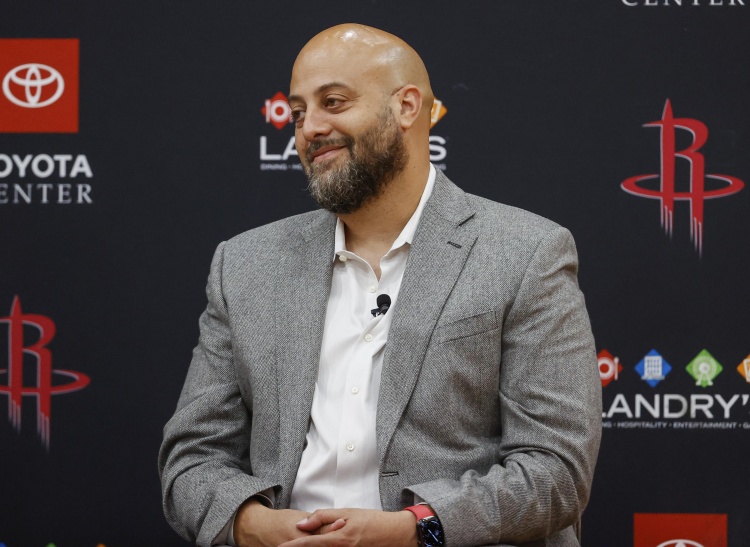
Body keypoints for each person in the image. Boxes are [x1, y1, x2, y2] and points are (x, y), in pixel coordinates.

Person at [159, 23, 602, 547]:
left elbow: (556, 470)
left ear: (407, 107)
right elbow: (192, 460)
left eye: (334, 102)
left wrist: (412, 530)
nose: (309, 128)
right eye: (298, 112)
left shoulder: (526, 253)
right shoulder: (245, 264)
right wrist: (257, 526)